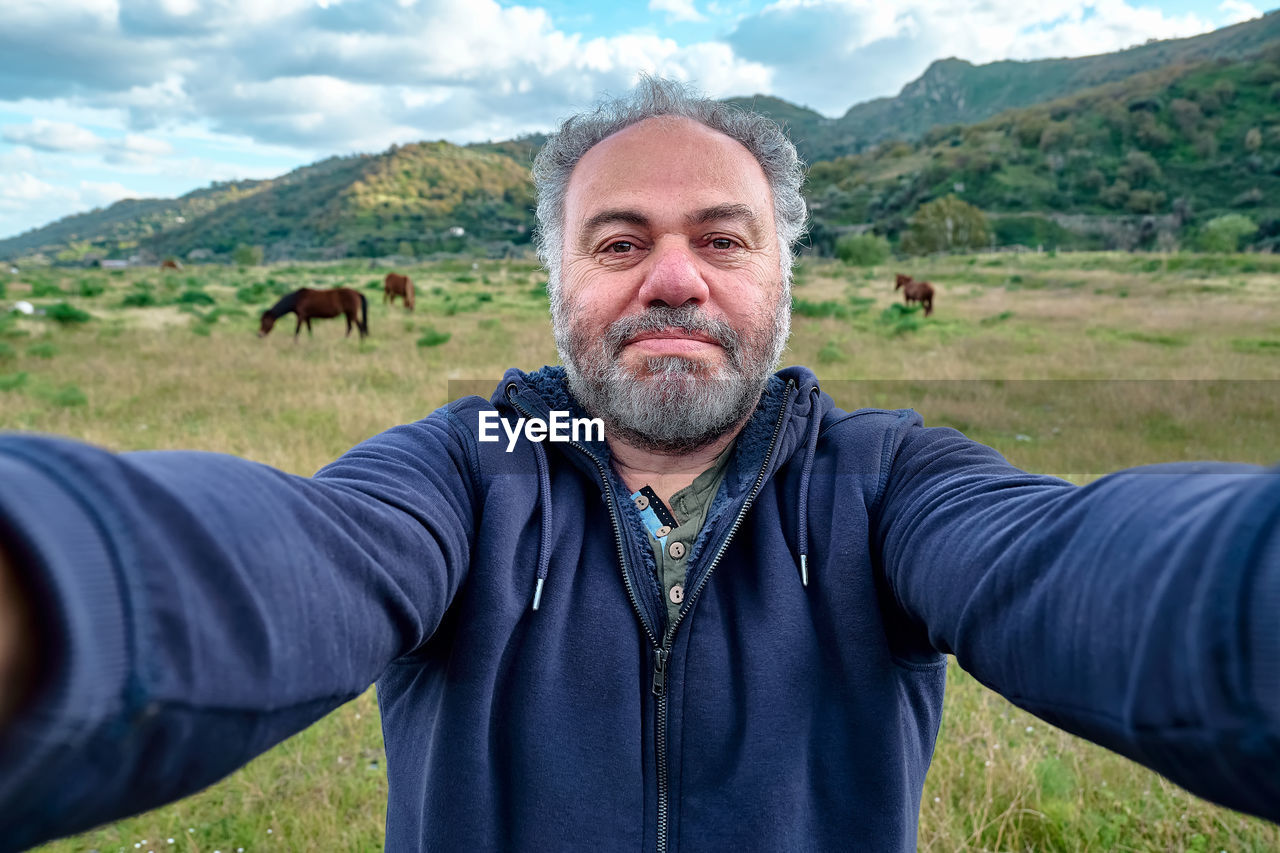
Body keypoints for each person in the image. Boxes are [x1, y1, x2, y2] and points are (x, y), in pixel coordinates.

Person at [0, 77, 1277, 853]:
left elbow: (1086, 573)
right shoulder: (475, 463)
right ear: (555, 282)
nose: (674, 276)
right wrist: (49, 581)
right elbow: (276, 561)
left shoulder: (887, 481)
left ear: (782, 275)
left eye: (722, 237)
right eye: (618, 242)